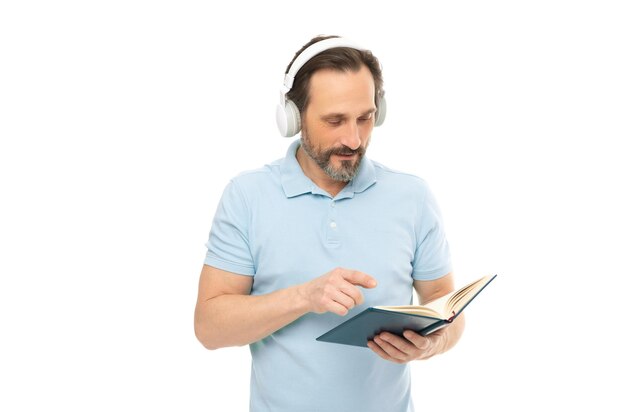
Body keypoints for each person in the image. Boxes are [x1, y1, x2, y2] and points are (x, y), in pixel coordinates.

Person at [194, 34, 464, 412]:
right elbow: (209, 327)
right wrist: (304, 297)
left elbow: (446, 307)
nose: (352, 139)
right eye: (334, 120)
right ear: (292, 116)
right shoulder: (246, 196)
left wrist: (433, 342)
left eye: (365, 118)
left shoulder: (413, 197)